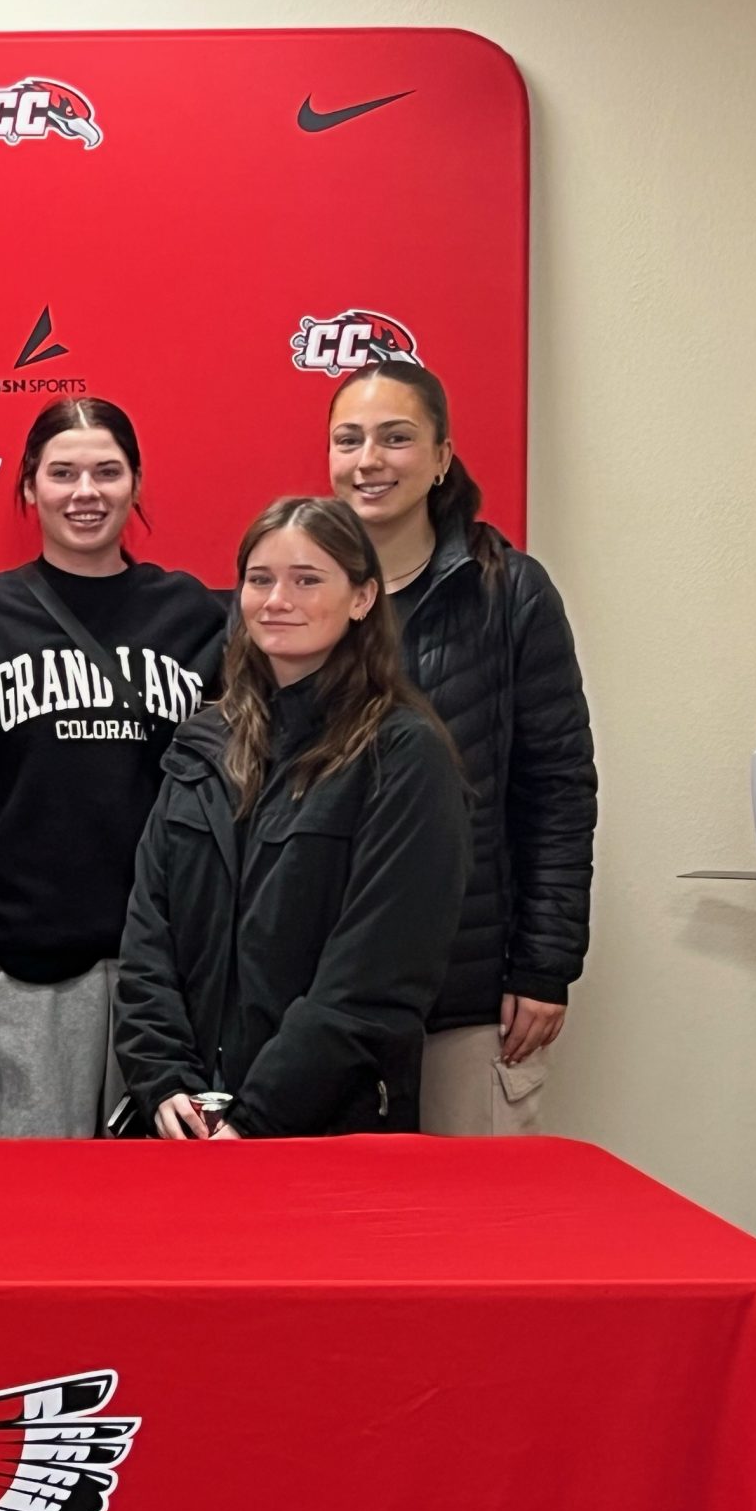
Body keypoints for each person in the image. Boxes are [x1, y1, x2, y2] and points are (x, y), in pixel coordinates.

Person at [116, 496, 467, 1139]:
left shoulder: (402, 753)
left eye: (307, 580)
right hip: (185, 1123)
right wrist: (164, 1079)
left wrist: (255, 1118)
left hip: (328, 1127)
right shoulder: (203, 743)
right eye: (260, 579)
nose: (278, 600)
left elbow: (375, 975)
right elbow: (148, 936)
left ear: (362, 598)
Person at [327, 363, 597, 1135]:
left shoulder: (509, 591)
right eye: (349, 440)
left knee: (473, 1234)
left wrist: (545, 967)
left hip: (469, 992)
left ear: (443, 457)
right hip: (320, 993)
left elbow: (558, 791)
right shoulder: (297, 592)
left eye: (397, 438)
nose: (369, 460)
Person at [0, 398, 228, 1137]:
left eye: (108, 472)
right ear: (27, 488)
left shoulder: (194, 614)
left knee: (160, 1214)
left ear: (137, 483)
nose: (86, 492)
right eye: (63, 473)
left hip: (165, 967)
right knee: (33, 1208)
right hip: (27, 962)